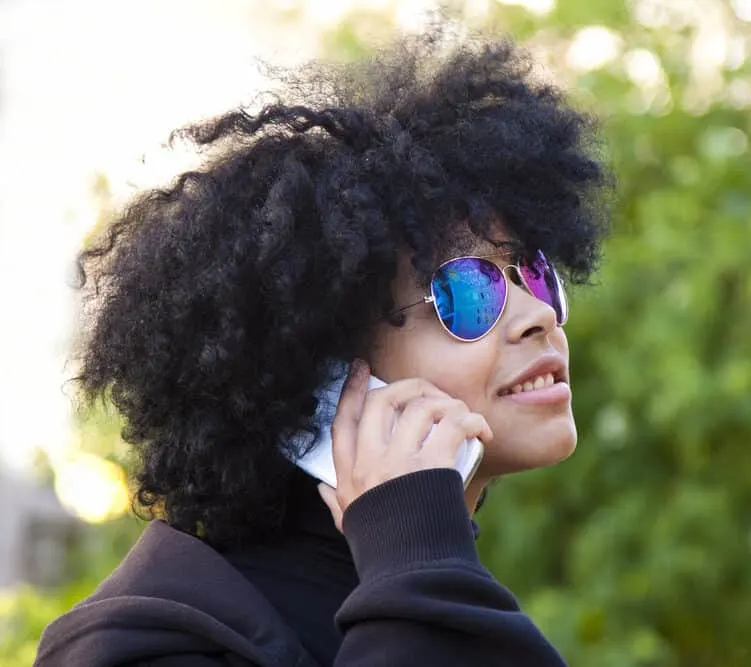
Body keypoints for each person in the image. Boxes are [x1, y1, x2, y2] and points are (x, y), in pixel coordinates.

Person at [34, 26, 611, 666]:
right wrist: (416, 562)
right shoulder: (147, 644)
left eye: (531, 273)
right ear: (321, 372)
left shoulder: (437, 588)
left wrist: (419, 559)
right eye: (469, 292)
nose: (536, 314)